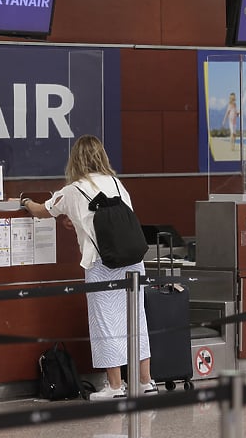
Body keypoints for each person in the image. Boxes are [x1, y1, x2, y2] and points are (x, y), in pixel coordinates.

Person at [20, 135, 157, 401]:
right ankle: (145, 381)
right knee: (136, 319)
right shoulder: (117, 184)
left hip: (101, 263)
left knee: (105, 322)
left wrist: (24, 202)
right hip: (132, 261)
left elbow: (40, 211)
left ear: (75, 160)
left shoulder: (73, 190)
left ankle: (116, 387)